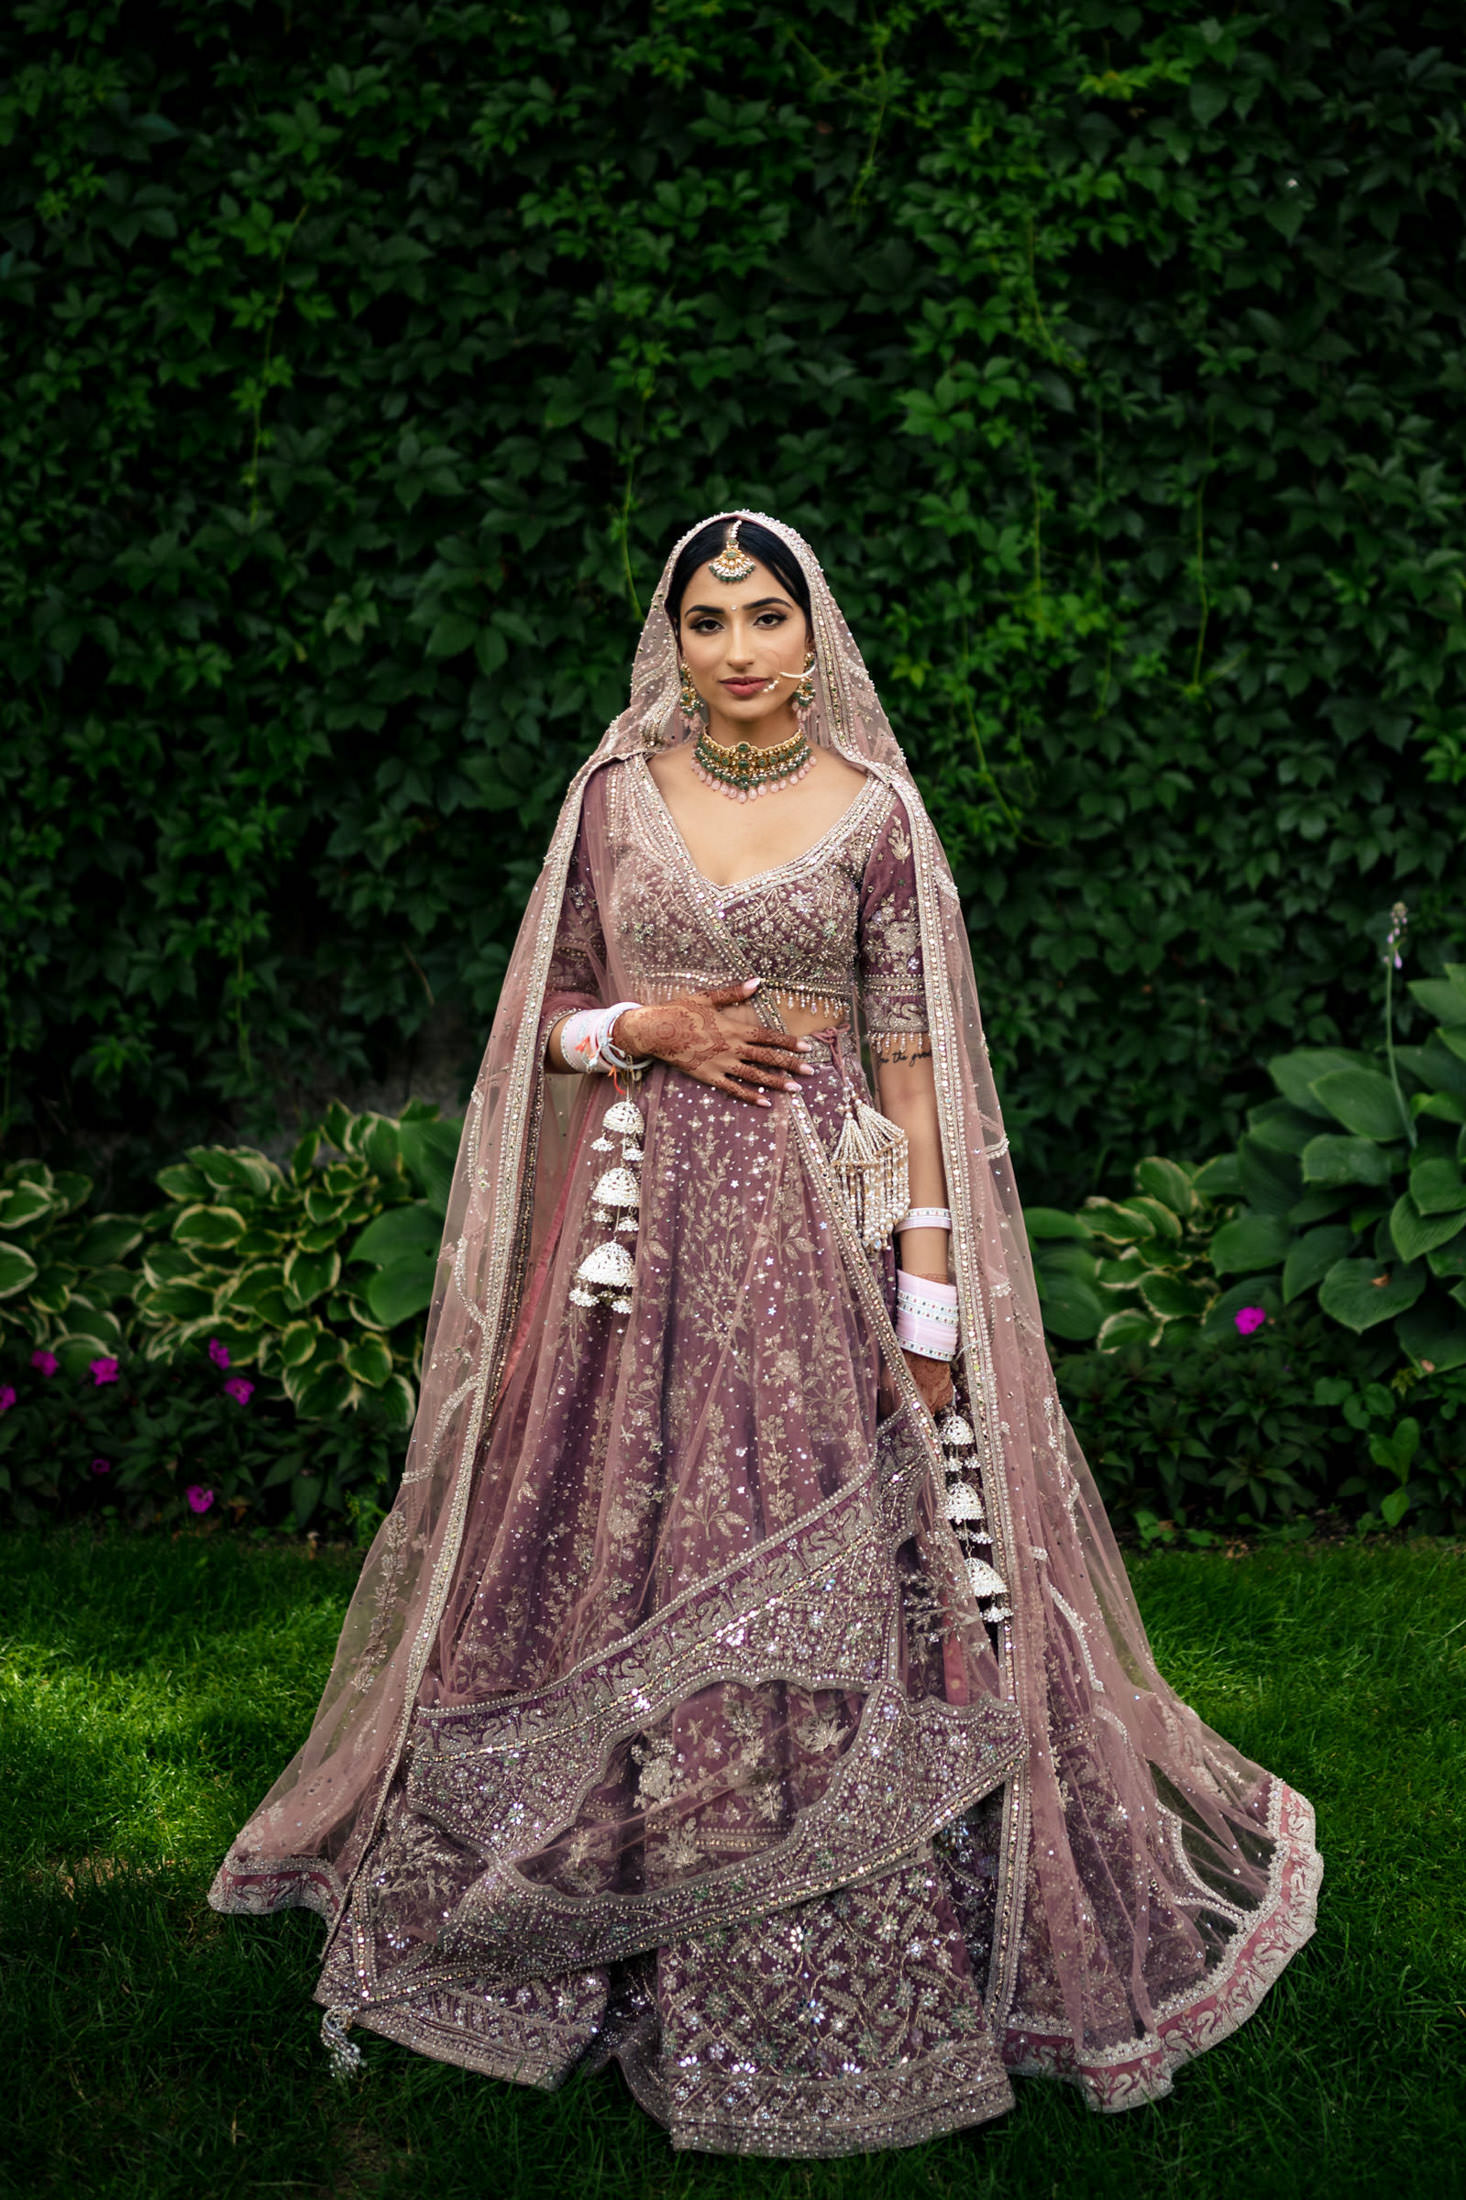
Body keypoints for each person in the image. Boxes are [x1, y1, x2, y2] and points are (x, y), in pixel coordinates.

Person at [211, 514, 1320, 2157]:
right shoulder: (610, 800)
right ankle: (603, 1871)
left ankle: (836, 1860)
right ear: (671, 638)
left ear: (815, 638)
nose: (736, 650)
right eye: (706, 619)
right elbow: (542, 1023)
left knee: (819, 1530)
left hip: (820, 1241)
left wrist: (929, 1302)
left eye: (764, 617)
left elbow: (914, 1074)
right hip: (635, 1247)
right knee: (616, 1528)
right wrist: (642, 1026)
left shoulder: (877, 818)